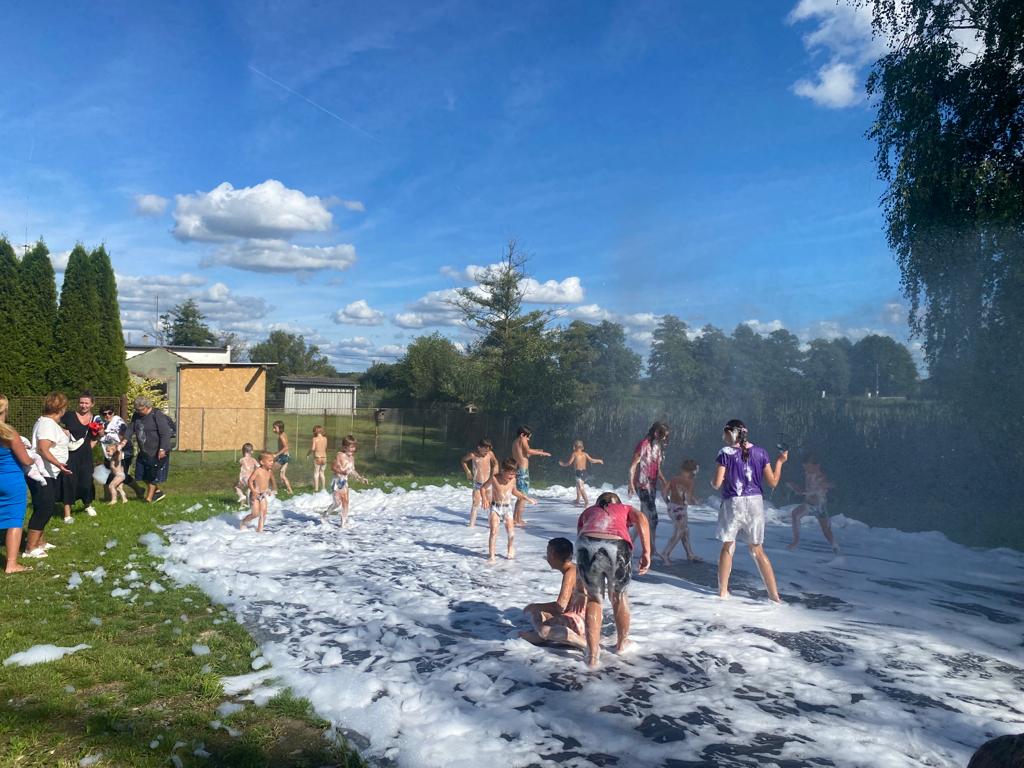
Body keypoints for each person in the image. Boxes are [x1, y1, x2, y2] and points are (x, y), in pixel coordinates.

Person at [711, 419, 787, 602]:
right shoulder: (761, 452)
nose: (723, 436)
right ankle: (774, 597)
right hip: (755, 504)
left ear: (730, 433)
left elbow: (717, 483)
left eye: (724, 432)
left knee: (728, 546)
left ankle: (722, 593)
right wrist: (780, 462)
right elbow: (773, 482)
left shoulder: (725, 453)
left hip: (733, 502)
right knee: (757, 550)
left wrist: (712, 483)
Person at [576, 492, 651, 668]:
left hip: (586, 544)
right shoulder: (625, 508)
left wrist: (580, 587)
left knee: (594, 599)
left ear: (598, 503)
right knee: (619, 595)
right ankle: (621, 644)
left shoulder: (587, 512)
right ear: (617, 503)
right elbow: (642, 518)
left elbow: (579, 542)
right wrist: (647, 552)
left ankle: (592, 655)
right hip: (616, 545)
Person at [27, 392, 75, 556]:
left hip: (49, 473)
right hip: (43, 473)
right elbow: (43, 448)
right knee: (44, 508)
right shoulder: (47, 424)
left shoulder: (49, 423)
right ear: (61, 408)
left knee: (44, 506)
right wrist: (59, 464)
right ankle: (30, 547)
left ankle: (39, 541)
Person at [519, 537, 587, 649]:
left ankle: (584, 644)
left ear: (552, 555)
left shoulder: (570, 573)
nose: (546, 557)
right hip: (585, 620)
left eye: (547, 553)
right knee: (538, 613)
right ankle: (540, 635)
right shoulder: (575, 568)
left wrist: (534, 606)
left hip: (578, 621)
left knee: (544, 631)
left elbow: (560, 607)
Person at [0, 395, 35, 573]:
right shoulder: (9, 433)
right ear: (5, 410)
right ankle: (11, 564)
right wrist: (33, 457)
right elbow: (26, 460)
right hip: (11, 481)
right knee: (14, 519)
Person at [627, 421, 670, 563]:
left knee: (643, 516)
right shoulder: (643, 444)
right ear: (656, 433)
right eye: (664, 436)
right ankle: (651, 549)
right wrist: (630, 483)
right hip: (642, 485)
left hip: (652, 485)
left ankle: (628, 543)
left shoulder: (658, 447)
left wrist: (664, 481)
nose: (665, 439)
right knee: (653, 518)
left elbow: (656, 467)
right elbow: (633, 465)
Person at [485, 458, 536, 563]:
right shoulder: (494, 478)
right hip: (495, 507)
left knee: (511, 532)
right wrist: (484, 499)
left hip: (507, 508)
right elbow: (483, 487)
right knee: (494, 531)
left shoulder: (513, 480)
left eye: (514, 474)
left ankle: (510, 548)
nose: (512, 476)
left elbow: (514, 492)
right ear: (503, 471)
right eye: (510, 474)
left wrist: (527, 498)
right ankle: (492, 555)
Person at [786, 454, 839, 553]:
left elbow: (819, 490)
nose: (806, 469)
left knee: (826, 530)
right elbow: (807, 490)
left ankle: (834, 546)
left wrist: (801, 491)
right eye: (805, 467)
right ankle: (795, 541)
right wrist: (797, 488)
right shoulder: (808, 474)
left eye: (808, 467)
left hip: (818, 506)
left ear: (817, 466)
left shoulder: (820, 477)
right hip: (811, 504)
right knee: (795, 514)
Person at [60, 391, 99, 518]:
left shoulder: (96, 419)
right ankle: (67, 514)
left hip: (86, 456)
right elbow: (53, 423)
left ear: (92, 404)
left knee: (87, 482)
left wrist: (87, 448)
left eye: (86, 403)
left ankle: (87, 505)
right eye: (81, 402)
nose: (83, 405)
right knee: (69, 482)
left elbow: (96, 437)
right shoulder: (69, 416)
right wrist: (62, 430)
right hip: (70, 455)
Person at [660, 459, 702, 565]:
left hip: (671, 508)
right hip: (680, 511)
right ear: (693, 471)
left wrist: (668, 503)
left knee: (685, 531)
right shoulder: (690, 482)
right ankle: (665, 553)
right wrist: (696, 502)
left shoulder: (674, 479)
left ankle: (690, 554)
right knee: (679, 532)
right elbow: (688, 499)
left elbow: (664, 492)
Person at [131, 396, 173, 503]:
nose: (139, 412)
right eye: (137, 410)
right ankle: (157, 492)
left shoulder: (157, 415)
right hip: (144, 451)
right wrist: (123, 441)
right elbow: (130, 428)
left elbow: (165, 433)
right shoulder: (137, 415)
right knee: (142, 476)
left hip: (156, 451)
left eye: (140, 410)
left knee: (152, 476)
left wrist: (162, 449)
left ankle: (148, 499)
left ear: (147, 407)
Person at [511, 426, 550, 527]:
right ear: (522, 434)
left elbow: (525, 453)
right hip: (523, 471)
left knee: (520, 496)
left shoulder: (515, 442)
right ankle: (518, 519)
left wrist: (536, 450)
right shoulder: (522, 439)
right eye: (528, 437)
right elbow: (528, 451)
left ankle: (515, 519)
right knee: (523, 497)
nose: (528, 439)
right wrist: (542, 453)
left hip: (518, 470)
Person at [328, 435, 366, 527]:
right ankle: (326, 514)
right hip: (336, 481)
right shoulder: (340, 455)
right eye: (351, 447)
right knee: (337, 503)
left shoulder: (352, 458)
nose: (353, 449)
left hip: (344, 482)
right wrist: (342, 471)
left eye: (354, 447)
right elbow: (333, 467)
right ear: (344, 447)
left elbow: (352, 471)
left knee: (346, 501)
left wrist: (360, 478)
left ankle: (343, 523)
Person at [460, 438, 498, 527]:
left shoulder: (490, 454)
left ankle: (491, 525)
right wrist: (468, 472)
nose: (486, 452)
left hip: (488, 483)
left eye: (488, 449)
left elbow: (495, 462)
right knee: (475, 503)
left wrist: (496, 468)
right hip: (478, 483)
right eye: (485, 449)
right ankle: (471, 525)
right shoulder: (473, 455)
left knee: (490, 504)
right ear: (479, 447)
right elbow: (463, 461)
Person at [558, 440, 604, 507]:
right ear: (582, 447)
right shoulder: (585, 454)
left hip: (578, 472)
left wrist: (563, 464)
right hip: (584, 472)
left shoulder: (574, 454)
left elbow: (569, 463)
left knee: (581, 487)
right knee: (577, 485)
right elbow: (591, 460)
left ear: (574, 447)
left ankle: (586, 501)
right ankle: (578, 499)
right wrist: (599, 460)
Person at [239, 452, 277, 532]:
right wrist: (253, 491)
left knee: (263, 513)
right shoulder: (258, 471)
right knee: (255, 514)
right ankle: (243, 521)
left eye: (273, 461)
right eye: (270, 461)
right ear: (262, 462)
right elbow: (250, 481)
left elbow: (271, 480)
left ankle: (260, 530)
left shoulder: (269, 471)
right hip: (255, 495)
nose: (272, 462)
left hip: (263, 494)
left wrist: (271, 489)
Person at [271, 421, 293, 494]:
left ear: (280, 428)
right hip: (286, 456)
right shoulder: (284, 434)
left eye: (275, 428)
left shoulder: (281, 436)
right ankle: (290, 490)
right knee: (282, 475)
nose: (273, 430)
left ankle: (274, 489)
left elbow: (286, 447)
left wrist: (276, 455)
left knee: (270, 471)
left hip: (283, 457)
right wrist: (276, 453)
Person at [308, 425, 328, 492]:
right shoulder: (325, 439)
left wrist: (308, 454)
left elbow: (313, 448)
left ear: (315, 431)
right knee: (322, 473)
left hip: (317, 457)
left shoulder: (315, 439)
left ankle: (316, 489)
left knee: (316, 473)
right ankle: (323, 488)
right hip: (324, 457)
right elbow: (325, 448)